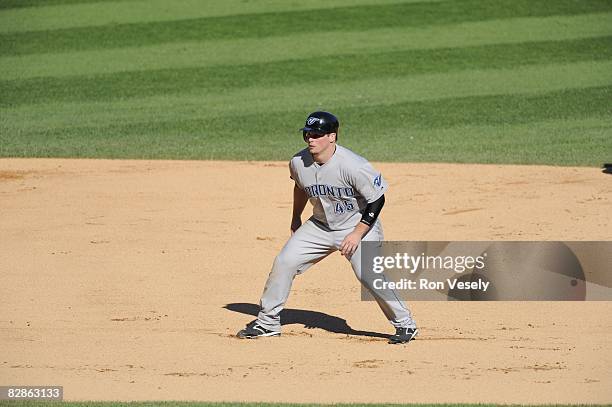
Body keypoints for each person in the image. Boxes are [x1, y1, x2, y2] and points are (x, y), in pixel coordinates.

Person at [237, 111, 418, 344]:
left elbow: (377, 200)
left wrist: (356, 234)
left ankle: (405, 324)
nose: (310, 139)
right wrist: (295, 218)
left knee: (369, 274)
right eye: (307, 134)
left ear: (332, 137)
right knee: (284, 262)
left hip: (358, 225)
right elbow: (300, 188)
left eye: (316, 134)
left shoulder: (353, 165)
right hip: (320, 226)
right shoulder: (298, 162)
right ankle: (268, 323)